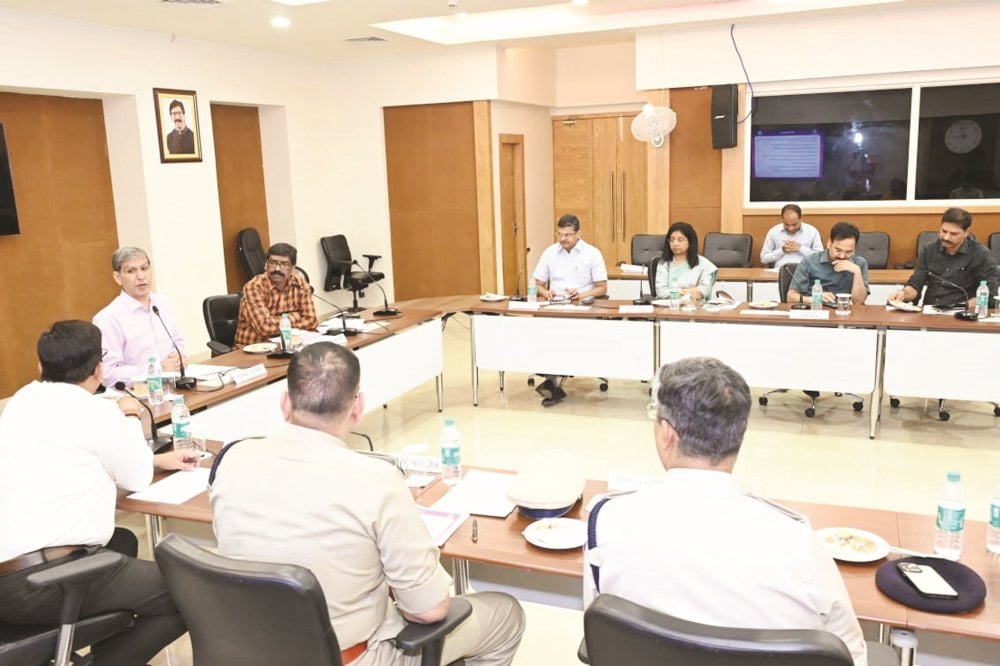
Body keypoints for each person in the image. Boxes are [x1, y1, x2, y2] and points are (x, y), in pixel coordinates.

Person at [210, 342, 525, 665]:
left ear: (285, 403)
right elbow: (429, 611)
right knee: (505, 615)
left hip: (244, 652)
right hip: (347, 658)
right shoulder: (377, 480)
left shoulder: (232, 459)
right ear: (357, 407)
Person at [584, 357, 870, 666]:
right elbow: (850, 654)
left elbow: (602, 631)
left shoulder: (605, 521)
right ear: (739, 435)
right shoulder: (797, 542)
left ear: (667, 433)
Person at [0, 320, 193, 664]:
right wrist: (129, 417)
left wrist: (155, 459)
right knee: (188, 593)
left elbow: (66, 457)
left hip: (8, 579)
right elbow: (137, 477)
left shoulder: (19, 403)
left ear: (40, 366)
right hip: (42, 584)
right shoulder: (99, 413)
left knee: (122, 542)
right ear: (99, 370)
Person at [530, 214, 608, 407]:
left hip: (582, 308)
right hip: (555, 306)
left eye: (567, 235)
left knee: (563, 334)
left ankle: (552, 382)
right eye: (559, 234)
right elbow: (538, 283)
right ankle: (552, 380)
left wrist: (581, 295)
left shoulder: (592, 254)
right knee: (542, 332)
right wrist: (545, 292)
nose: (563, 239)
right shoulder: (550, 253)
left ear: (578, 233)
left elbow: (602, 288)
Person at [93, 246, 187, 389]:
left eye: (144, 268)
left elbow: (178, 343)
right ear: (118, 278)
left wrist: (179, 359)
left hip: (174, 386)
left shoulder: (162, 303)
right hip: (136, 394)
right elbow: (108, 374)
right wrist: (157, 369)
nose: (141, 276)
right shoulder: (108, 318)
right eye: (131, 271)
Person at [889, 207, 1000, 308]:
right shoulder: (929, 250)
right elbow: (916, 283)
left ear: (966, 232)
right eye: (944, 231)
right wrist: (903, 294)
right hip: (930, 311)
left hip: (962, 312)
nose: (946, 237)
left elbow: (989, 295)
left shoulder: (981, 254)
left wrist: (959, 307)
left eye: (953, 234)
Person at [234, 242, 318, 347]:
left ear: (293, 268)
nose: (277, 269)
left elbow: (312, 321)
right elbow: (265, 328)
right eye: (273, 262)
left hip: (288, 345)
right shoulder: (254, 287)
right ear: (266, 265)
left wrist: (278, 321)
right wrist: (296, 315)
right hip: (254, 348)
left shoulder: (299, 283)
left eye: (284, 264)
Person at [787, 221, 869, 305]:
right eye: (838, 250)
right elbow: (791, 297)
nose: (842, 256)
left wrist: (857, 272)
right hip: (816, 308)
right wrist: (814, 298)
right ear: (829, 243)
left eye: (848, 252)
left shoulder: (859, 263)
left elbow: (859, 302)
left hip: (845, 309)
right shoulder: (810, 261)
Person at [652, 221, 718, 302]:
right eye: (672, 240)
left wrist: (675, 292)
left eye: (680, 240)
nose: (675, 243)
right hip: (668, 306)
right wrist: (688, 292)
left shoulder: (704, 264)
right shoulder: (664, 263)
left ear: (690, 242)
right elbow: (661, 292)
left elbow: (703, 291)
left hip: (695, 306)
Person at [759, 203, 823, 268]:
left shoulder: (812, 231)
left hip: (806, 271)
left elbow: (820, 258)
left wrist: (800, 248)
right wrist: (782, 250)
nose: (791, 228)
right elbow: (764, 259)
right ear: (782, 219)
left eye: (794, 224)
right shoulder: (774, 232)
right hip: (780, 272)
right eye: (786, 224)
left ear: (801, 218)